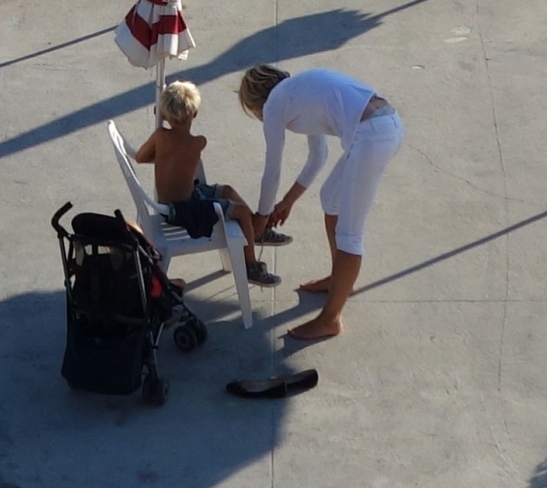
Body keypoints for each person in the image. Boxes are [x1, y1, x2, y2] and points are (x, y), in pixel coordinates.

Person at [235, 63, 402, 347]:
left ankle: (330, 319)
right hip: (386, 125)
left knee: (350, 234)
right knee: (331, 198)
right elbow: (318, 156)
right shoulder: (298, 92)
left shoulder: (276, 104)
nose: (261, 119)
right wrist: (287, 202)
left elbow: (272, 170)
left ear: (256, 104)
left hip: (371, 135)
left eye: (254, 113)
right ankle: (339, 280)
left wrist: (262, 216)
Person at [132, 80, 243, 248]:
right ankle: (252, 257)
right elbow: (182, 152)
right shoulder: (198, 143)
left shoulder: (160, 136)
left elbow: (140, 157)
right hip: (185, 210)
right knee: (242, 212)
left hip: (166, 206)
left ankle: (253, 238)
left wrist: (163, 158)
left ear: (164, 114)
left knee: (226, 191)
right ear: (195, 114)